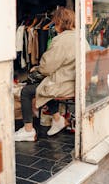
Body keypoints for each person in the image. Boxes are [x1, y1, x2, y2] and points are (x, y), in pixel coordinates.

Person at [14, 7, 77, 142]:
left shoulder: (60, 40)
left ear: (60, 22)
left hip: (63, 84)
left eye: (55, 22)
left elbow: (47, 67)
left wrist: (37, 68)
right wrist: (41, 68)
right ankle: (57, 119)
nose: (54, 25)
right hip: (72, 81)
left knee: (26, 91)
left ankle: (28, 130)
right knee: (43, 85)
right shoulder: (80, 37)